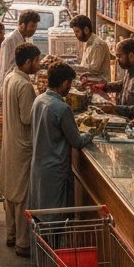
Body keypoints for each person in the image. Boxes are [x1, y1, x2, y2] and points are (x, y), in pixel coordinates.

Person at [28, 62, 95, 215]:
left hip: (38, 168)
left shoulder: (39, 100)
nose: (70, 87)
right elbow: (77, 141)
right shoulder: (62, 108)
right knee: (55, 217)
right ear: (65, 83)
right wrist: (92, 132)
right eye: (70, 83)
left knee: (40, 216)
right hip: (55, 172)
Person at [1, 43, 41, 257]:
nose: (39, 64)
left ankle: (11, 234)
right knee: (22, 194)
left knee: (11, 191)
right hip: (22, 146)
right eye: (37, 61)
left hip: (11, 142)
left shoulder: (10, 77)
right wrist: (41, 104)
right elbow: (27, 117)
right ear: (27, 62)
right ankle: (22, 242)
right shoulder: (25, 86)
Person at [98, 38, 134, 117]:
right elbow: (123, 84)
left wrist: (115, 109)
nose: (117, 60)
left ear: (131, 56)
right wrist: (104, 87)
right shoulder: (129, 69)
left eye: (119, 56)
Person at [0, 9, 40, 82]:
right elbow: (5, 69)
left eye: (35, 26)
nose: (34, 29)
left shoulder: (28, 38)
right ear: (22, 25)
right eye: (32, 26)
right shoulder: (9, 41)